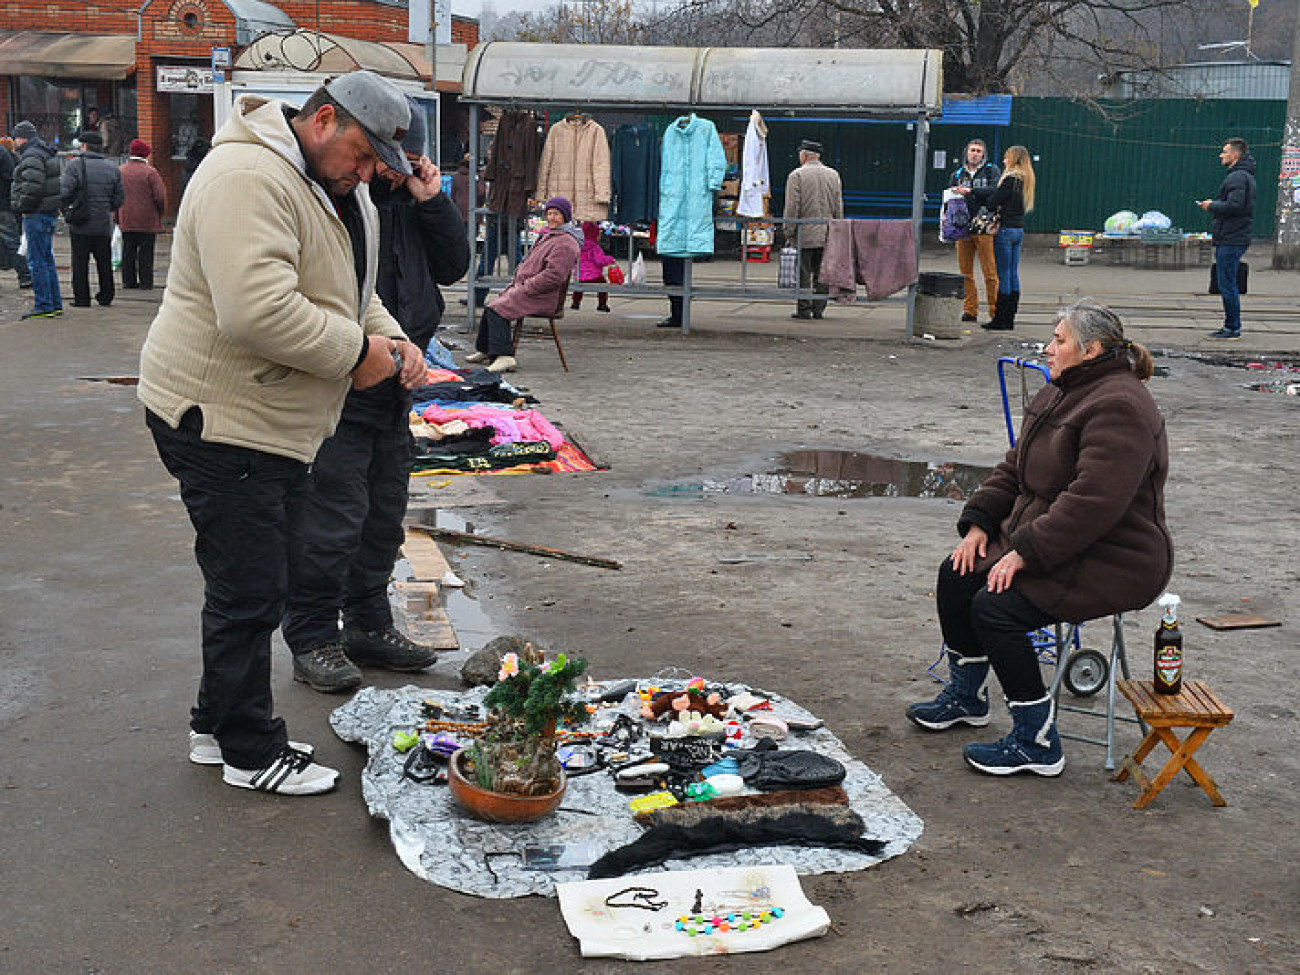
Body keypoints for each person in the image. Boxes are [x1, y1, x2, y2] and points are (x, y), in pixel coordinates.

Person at [137, 70, 423, 796]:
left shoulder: (332, 186)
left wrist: (389, 338)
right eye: (360, 155)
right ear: (322, 120)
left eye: (373, 166)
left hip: (266, 423)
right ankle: (248, 747)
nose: (364, 174)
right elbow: (257, 309)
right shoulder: (246, 176)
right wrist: (356, 356)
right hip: (220, 418)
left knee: (244, 580)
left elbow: (351, 290)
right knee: (251, 588)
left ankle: (215, 723)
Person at [906, 300, 1172, 777]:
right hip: (1056, 537)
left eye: (1059, 340)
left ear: (1090, 350)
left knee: (996, 606)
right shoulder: (1060, 392)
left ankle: (1037, 739)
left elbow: (1094, 502)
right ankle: (968, 697)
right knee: (958, 571)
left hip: (1115, 556)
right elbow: (1015, 469)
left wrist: (1024, 554)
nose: (1048, 349)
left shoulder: (1120, 405)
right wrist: (980, 525)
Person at [283, 99, 469, 694]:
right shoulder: (339, 195)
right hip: (342, 374)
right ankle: (313, 635)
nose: (386, 171)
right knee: (330, 518)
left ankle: (368, 625)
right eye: (380, 158)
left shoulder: (410, 202)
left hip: (398, 376)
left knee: (384, 515)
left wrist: (431, 200)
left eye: (402, 159)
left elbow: (455, 264)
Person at [465, 195, 580, 374]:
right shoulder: (552, 235)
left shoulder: (565, 243)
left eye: (556, 214)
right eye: (549, 213)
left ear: (565, 216)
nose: (551, 218)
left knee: (498, 309)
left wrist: (527, 286)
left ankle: (505, 356)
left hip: (541, 295)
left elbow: (554, 276)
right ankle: (486, 350)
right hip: (530, 290)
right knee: (491, 306)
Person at [1198, 137, 1256, 340]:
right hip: (1235, 235)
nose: (1220, 155)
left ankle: (1232, 327)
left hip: (1232, 237)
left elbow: (1235, 206)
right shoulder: (1244, 175)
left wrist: (1211, 205)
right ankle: (1232, 325)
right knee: (1227, 281)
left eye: (1224, 151)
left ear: (1235, 155)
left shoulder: (1237, 177)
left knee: (1227, 283)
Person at [61, 130, 124, 308]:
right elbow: (119, 198)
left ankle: (82, 298)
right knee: (104, 261)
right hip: (103, 224)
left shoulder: (74, 166)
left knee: (80, 263)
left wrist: (68, 209)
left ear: (85, 146)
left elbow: (65, 192)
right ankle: (106, 295)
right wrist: (106, 208)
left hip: (80, 224)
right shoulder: (112, 167)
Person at [782, 138, 843, 320]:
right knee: (822, 273)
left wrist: (788, 229)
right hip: (827, 232)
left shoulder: (796, 176)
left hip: (804, 233)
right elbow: (838, 206)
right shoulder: (833, 175)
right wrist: (837, 228)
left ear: (804, 155)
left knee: (803, 273)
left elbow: (792, 206)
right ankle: (819, 309)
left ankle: (803, 309)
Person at [9, 120, 64, 319]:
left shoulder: (31, 155)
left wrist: (20, 205)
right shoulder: (44, 152)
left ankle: (43, 305)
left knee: (37, 261)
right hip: (47, 212)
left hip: (36, 214)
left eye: (15, 137)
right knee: (46, 259)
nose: (13, 141)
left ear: (22, 137)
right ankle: (54, 303)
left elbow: (33, 186)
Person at [980, 145, 1035, 331]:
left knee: (1002, 275)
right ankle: (1010, 318)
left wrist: (975, 195)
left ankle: (1001, 319)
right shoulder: (1026, 179)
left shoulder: (1010, 179)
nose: (1004, 161)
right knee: (1012, 273)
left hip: (1005, 231)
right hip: (1018, 230)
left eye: (1006, 157)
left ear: (1013, 159)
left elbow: (992, 203)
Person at [948, 139, 1001, 323]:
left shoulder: (991, 170)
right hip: (962, 227)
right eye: (972, 150)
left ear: (983, 154)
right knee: (965, 272)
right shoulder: (957, 174)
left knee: (990, 272)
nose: (975, 154)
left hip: (984, 225)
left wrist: (970, 191)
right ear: (966, 152)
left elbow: (995, 190)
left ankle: (995, 311)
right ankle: (970, 310)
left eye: (979, 151)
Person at [117, 139, 167, 290]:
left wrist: (117, 216)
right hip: (147, 219)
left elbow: (115, 195)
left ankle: (128, 281)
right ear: (146, 155)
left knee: (128, 250)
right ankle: (146, 282)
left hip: (126, 217)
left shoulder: (120, 171)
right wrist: (160, 212)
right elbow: (160, 196)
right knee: (146, 252)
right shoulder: (150, 172)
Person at [0, 135, 33, 290]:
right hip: (5, 204)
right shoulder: (6, 154)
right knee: (12, 241)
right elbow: (11, 178)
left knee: (11, 241)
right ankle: (25, 276)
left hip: (3, 205)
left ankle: (25, 275)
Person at [571, 220, 615, 312]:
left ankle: (575, 302)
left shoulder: (578, 246)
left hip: (580, 275)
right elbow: (600, 260)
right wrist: (610, 259)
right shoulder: (595, 247)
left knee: (578, 288)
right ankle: (602, 304)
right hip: (594, 276)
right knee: (603, 285)